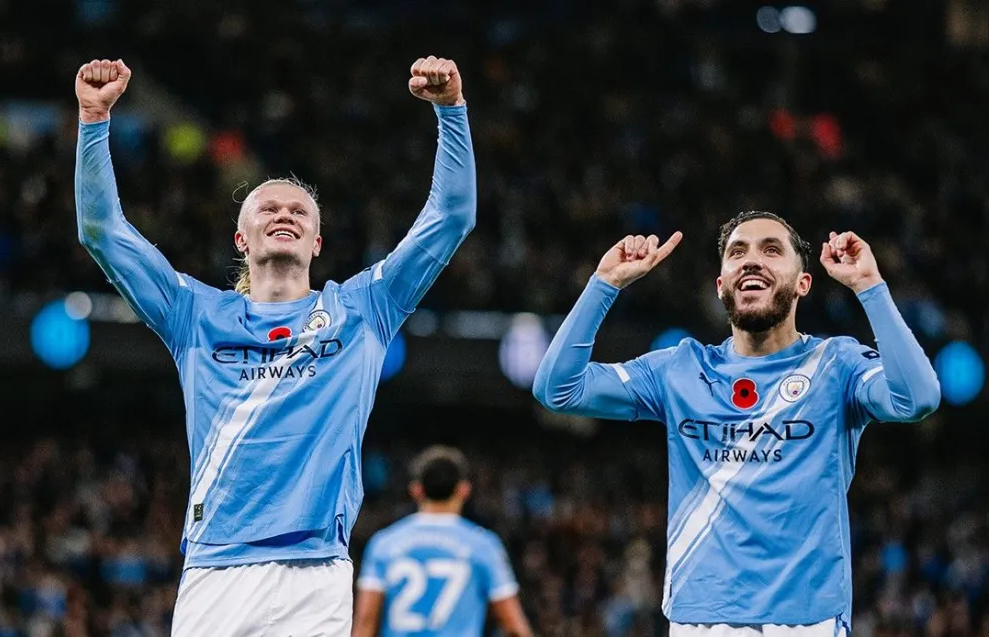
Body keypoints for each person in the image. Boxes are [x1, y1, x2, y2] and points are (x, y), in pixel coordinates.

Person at [74, 55, 475, 636]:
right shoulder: (194, 313)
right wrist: (93, 120)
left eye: (299, 211)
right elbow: (102, 232)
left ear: (317, 241)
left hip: (316, 575)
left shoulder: (363, 309)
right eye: (268, 207)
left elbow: (452, 216)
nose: (284, 213)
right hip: (217, 571)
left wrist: (451, 112)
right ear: (242, 236)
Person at [533, 211, 941, 635]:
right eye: (737, 252)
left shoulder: (838, 365)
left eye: (771, 250)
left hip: (806, 621)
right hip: (700, 619)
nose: (751, 260)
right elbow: (558, 390)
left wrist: (870, 288)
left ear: (803, 283)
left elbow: (918, 398)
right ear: (721, 285)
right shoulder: (681, 368)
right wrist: (605, 285)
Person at [353, 446, 532, 637]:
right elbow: (514, 627)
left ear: (416, 490)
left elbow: (365, 623)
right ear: (463, 489)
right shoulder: (483, 545)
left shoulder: (384, 544)